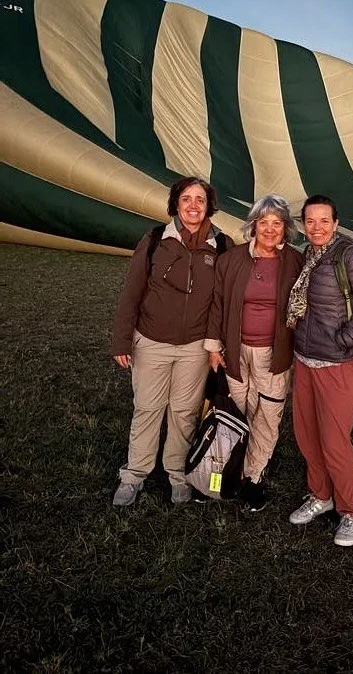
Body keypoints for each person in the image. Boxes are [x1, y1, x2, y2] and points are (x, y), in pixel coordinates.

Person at [111, 177, 234, 506]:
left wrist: (213, 346)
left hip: (194, 347)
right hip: (151, 341)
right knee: (148, 409)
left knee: (183, 413)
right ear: (176, 204)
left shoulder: (222, 245)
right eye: (186, 199)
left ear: (209, 206)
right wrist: (122, 340)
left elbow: (220, 303)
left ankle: (177, 473)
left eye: (200, 200)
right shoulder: (155, 240)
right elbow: (132, 293)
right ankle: (134, 473)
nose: (193, 206)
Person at [286, 194, 353, 547]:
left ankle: (352, 511)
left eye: (324, 220)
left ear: (336, 222)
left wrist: (345, 339)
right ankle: (321, 495)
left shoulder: (349, 254)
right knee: (307, 436)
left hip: (337, 364)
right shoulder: (308, 255)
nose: (317, 227)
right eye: (310, 221)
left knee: (335, 441)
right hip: (305, 360)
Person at [205, 194, 304, 512]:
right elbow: (217, 303)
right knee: (238, 412)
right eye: (264, 222)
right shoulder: (231, 259)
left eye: (278, 223)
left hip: (274, 355)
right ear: (253, 225)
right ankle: (226, 470)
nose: (271, 229)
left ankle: (253, 479)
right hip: (234, 352)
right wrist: (213, 346)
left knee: (267, 418)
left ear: (286, 228)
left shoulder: (295, 261)